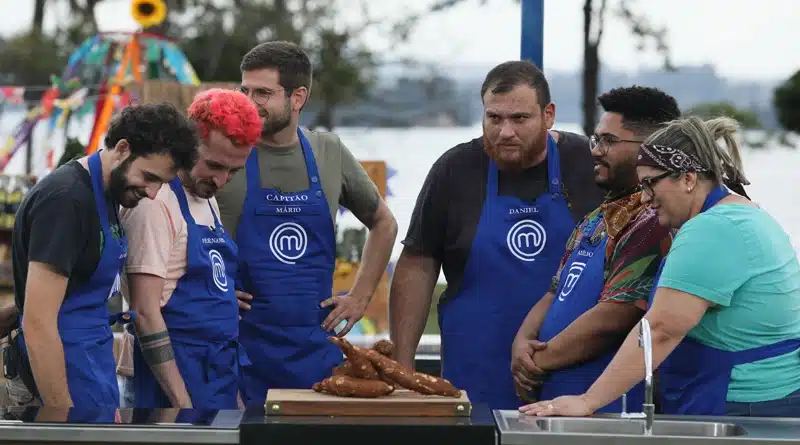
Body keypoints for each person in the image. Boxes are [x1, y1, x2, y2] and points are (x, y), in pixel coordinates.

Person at [520, 116, 800, 418]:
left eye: (650, 183)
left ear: (688, 178)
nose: (644, 198)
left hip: (745, 402)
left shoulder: (714, 228)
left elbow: (662, 329)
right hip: (750, 396)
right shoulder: (741, 214)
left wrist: (588, 401)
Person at [388, 60, 605, 409]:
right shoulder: (454, 170)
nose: (505, 131)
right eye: (494, 118)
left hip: (573, 375)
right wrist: (402, 367)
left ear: (548, 115)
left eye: (519, 119)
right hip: (475, 372)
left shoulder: (588, 164)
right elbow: (417, 265)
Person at [216, 41, 398, 406]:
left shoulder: (327, 151)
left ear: (298, 97)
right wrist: (207, 289)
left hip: (313, 351)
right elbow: (177, 225)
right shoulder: (224, 151)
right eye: (245, 90)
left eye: (263, 93)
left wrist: (360, 296)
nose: (250, 102)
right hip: (237, 350)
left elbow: (384, 223)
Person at [6, 103, 199, 407]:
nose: (151, 192)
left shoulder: (110, 194)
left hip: (93, 374)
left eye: (161, 183)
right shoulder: (67, 201)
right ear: (122, 149)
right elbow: (38, 322)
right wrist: (61, 418)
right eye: (148, 177)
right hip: (60, 387)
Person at [510, 86, 679, 413]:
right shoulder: (596, 219)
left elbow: (614, 318)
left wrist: (535, 362)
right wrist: (520, 344)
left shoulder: (651, 222)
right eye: (596, 139)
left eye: (609, 141)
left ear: (652, 149)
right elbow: (555, 292)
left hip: (608, 410)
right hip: (558, 404)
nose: (596, 150)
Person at [116, 89, 262, 408]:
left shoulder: (206, 198)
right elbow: (144, 312)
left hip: (214, 373)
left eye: (233, 171)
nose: (221, 181)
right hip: (168, 384)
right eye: (214, 165)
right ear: (188, 142)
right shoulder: (155, 204)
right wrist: (183, 409)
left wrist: (218, 296)